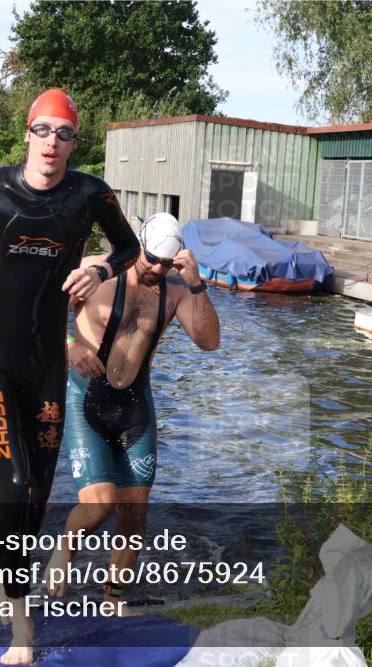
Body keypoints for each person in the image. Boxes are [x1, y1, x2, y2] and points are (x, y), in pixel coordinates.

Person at [0, 87, 139, 664]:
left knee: (38, 499)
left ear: (74, 142)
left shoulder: (90, 194)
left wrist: (97, 267)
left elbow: (130, 247)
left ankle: (5, 582)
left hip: (45, 363)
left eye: (65, 133)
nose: (53, 143)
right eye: (43, 130)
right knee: (13, 487)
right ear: (27, 134)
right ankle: (23, 633)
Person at [45, 212, 220, 610]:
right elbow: (41, 313)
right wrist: (71, 346)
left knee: (134, 517)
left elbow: (210, 342)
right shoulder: (97, 272)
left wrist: (195, 282)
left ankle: (113, 596)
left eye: (166, 262)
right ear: (139, 244)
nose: (157, 268)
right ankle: (64, 552)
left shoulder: (176, 288)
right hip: (85, 400)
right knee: (98, 505)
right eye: (152, 259)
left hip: (135, 407)